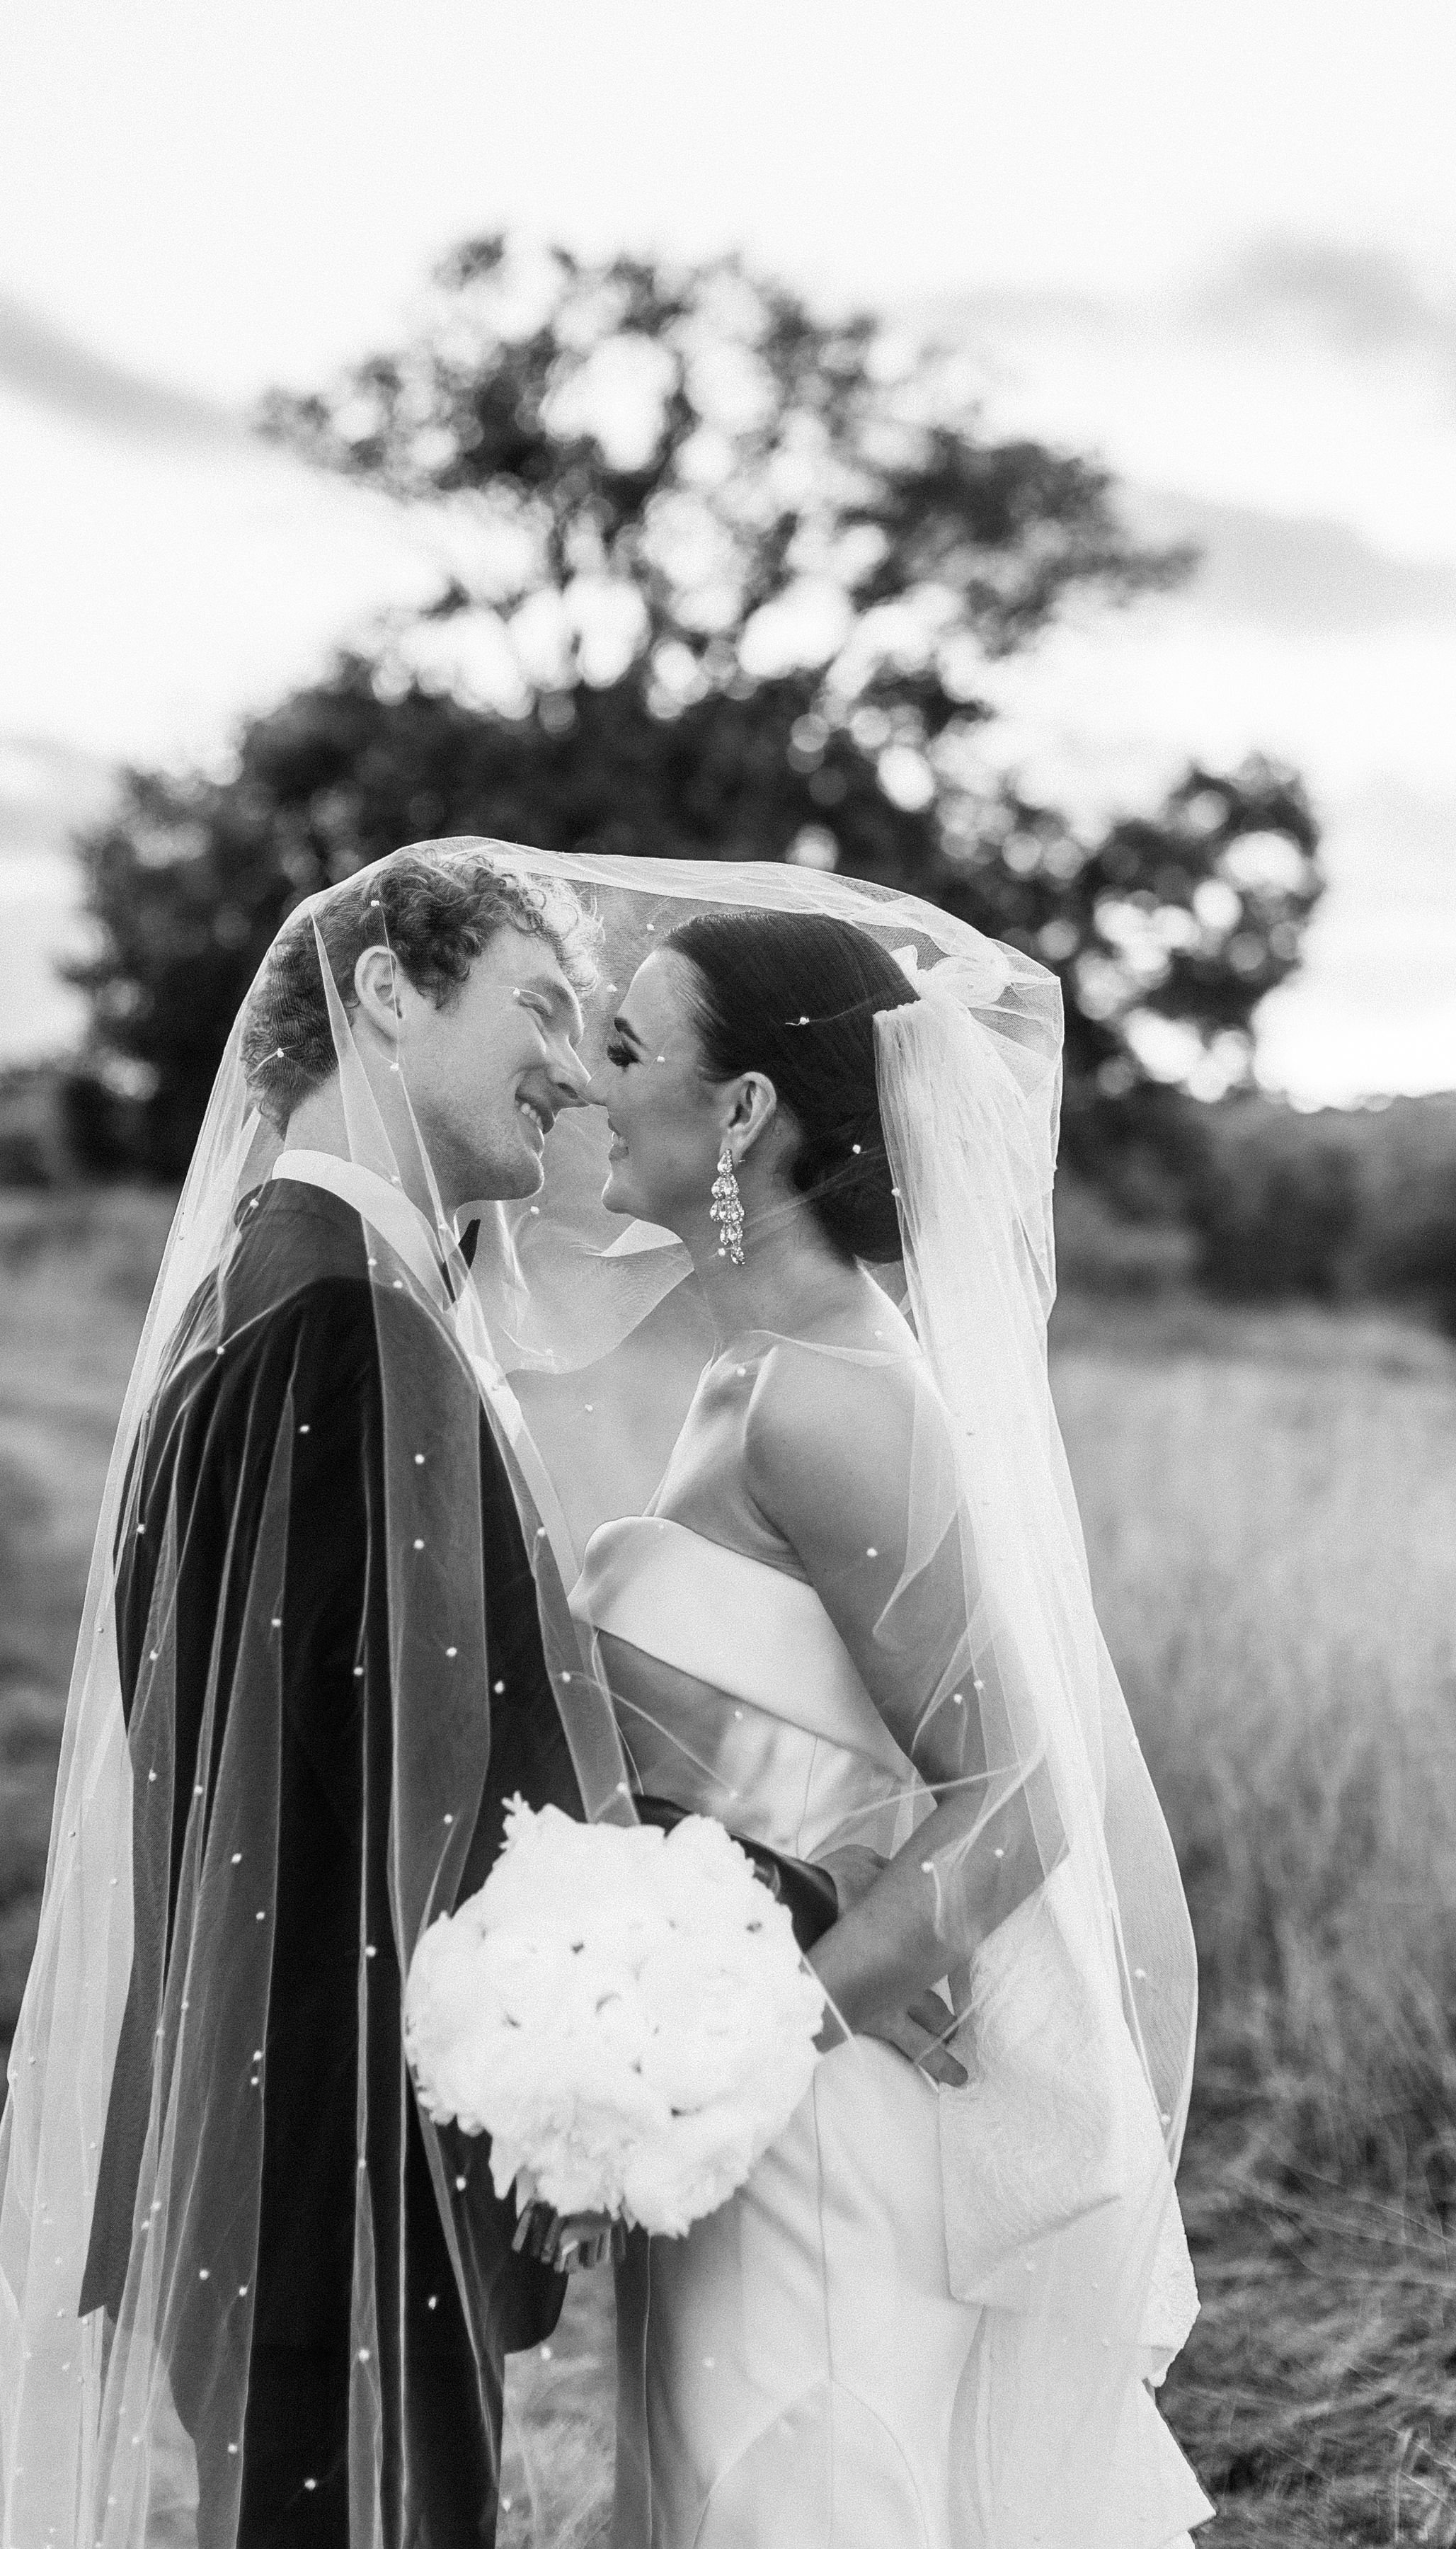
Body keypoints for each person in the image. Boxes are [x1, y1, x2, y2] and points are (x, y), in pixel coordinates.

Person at [0, 848, 634, 2549]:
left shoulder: (291, 1279)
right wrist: (645, 1980)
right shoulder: (343, 1316)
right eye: (539, 1010)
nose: (574, 1063)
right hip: (336, 2137)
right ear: (390, 997)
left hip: (301, 2115)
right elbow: (377, 1780)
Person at [561, 903, 1212, 2549]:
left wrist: (763, 2036)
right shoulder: (748, 1375)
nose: (585, 1080)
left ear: (743, 1115)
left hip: (815, 2123)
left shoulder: (833, 1395)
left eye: (628, 1046)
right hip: (738, 2085)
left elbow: (1017, 1798)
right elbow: (814, 1765)